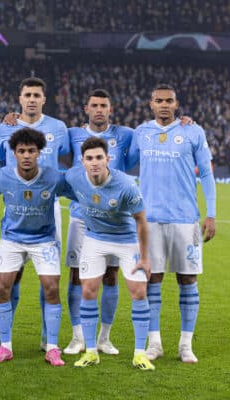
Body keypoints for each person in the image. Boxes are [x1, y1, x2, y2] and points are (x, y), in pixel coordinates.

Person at [127, 84, 216, 364]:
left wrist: (211, 213)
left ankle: (185, 344)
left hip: (185, 220)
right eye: (158, 101)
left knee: (188, 280)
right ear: (150, 104)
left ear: (176, 104)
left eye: (169, 101)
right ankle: (155, 343)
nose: (164, 105)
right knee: (152, 279)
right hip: (149, 220)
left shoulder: (192, 131)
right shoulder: (141, 133)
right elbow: (121, 162)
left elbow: (207, 176)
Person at [0, 77, 70, 352]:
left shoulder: (58, 127)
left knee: (49, 277)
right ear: (20, 98)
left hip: (49, 209)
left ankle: (48, 339)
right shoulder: (6, 126)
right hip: (16, 208)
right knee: (10, 277)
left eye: (37, 94)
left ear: (44, 99)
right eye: (28, 94)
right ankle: (4, 339)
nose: (32, 99)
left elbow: (70, 161)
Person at [65, 136, 154, 371]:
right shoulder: (74, 176)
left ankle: (140, 353)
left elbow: (142, 222)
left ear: (108, 159)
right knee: (88, 289)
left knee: (138, 292)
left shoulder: (125, 185)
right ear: (82, 161)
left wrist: (145, 257)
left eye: (99, 158)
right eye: (89, 158)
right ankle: (91, 351)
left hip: (126, 241)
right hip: (95, 238)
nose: (94, 162)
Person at [63, 89, 134, 356]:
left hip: (114, 219)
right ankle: (77, 336)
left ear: (111, 109)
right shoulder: (71, 134)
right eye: (94, 105)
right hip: (81, 216)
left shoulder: (126, 135)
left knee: (110, 275)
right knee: (76, 274)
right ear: (86, 108)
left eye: (104, 105)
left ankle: (104, 337)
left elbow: (144, 151)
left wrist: (185, 121)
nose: (99, 110)